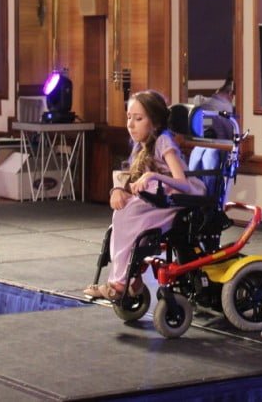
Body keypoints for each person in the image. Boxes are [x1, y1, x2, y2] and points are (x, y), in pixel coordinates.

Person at [84, 90, 207, 300]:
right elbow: (129, 176)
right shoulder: (140, 146)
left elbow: (183, 183)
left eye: (138, 119)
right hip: (159, 195)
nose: (130, 125)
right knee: (122, 213)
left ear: (155, 123)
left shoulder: (163, 141)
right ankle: (129, 280)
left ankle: (121, 282)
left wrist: (152, 176)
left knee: (129, 213)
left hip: (180, 197)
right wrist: (117, 190)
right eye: (129, 118)